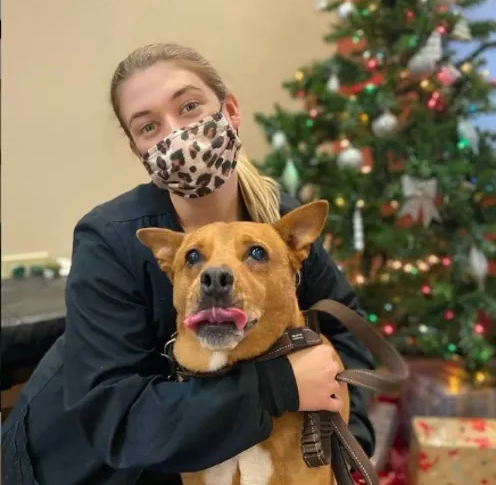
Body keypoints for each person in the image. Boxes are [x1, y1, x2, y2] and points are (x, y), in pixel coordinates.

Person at [2, 43, 375, 485]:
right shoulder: (110, 239)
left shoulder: (275, 223)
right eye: (148, 126)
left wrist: (349, 447)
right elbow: (117, 423)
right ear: (138, 149)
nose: (176, 134)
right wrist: (280, 384)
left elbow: (345, 331)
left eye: (190, 106)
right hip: (90, 466)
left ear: (230, 111)